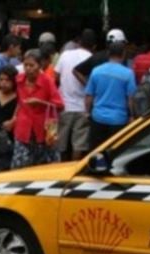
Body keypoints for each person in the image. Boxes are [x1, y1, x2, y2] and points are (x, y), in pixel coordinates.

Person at [10, 49, 64, 169]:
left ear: (39, 66)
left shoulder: (47, 81)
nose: (28, 68)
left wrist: (41, 103)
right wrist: (13, 119)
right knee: (19, 166)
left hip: (43, 131)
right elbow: (19, 102)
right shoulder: (19, 80)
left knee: (44, 167)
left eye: (31, 65)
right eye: (26, 65)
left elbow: (60, 105)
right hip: (23, 130)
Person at [85, 41, 136, 149]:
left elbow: (89, 95)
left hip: (98, 118)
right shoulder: (128, 74)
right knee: (115, 153)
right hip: (118, 120)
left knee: (97, 152)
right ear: (123, 54)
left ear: (108, 54)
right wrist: (131, 115)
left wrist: (87, 113)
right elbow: (130, 99)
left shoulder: (96, 71)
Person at [54, 28, 94, 160]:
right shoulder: (91, 59)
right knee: (79, 144)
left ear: (79, 42)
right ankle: (74, 169)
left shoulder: (65, 55)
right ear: (94, 46)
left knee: (60, 143)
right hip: (83, 107)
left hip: (64, 105)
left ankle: (59, 169)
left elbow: (56, 76)